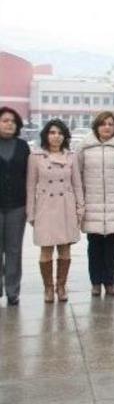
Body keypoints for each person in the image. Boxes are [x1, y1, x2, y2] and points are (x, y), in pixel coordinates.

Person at [78, 111, 114, 297]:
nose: (107, 127)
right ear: (96, 126)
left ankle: (109, 282)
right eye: (103, 124)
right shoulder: (84, 147)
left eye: (110, 124)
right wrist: (79, 201)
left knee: (111, 246)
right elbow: (77, 176)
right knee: (94, 246)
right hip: (92, 204)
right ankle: (95, 282)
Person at [26, 120, 85, 303]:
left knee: (65, 249)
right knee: (46, 250)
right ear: (46, 135)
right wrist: (31, 212)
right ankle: (48, 288)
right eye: (52, 132)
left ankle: (61, 286)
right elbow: (30, 186)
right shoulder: (36, 156)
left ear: (65, 136)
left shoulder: (71, 156)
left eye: (60, 133)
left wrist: (80, 207)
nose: (56, 136)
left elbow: (77, 184)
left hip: (66, 205)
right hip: (45, 206)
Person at [0, 107, 30, 306]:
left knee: (14, 249)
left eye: (13, 120)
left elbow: (29, 176)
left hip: (17, 206)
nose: (9, 123)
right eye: (4, 120)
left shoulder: (23, 146)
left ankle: (12, 291)